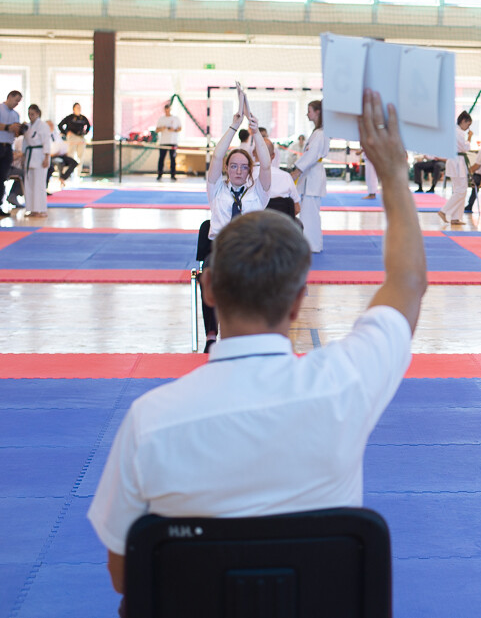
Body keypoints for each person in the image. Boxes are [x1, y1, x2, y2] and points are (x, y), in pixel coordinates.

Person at [87, 90, 425, 609]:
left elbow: (122, 574)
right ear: (299, 301)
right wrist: (395, 179)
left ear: (209, 290)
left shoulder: (150, 421)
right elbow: (407, 283)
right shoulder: (344, 385)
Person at [201, 107, 274, 353]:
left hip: (250, 250)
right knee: (209, 273)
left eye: (244, 167)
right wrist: (234, 126)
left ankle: (251, 334)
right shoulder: (216, 190)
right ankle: (212, 335)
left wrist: (255, 130)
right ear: (227, 168)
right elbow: (216, 156)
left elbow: (266, 164)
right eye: (234, 166)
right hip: (220, 250)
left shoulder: (259, 193)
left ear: (249, 170)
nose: (239, 171)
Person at [292, 100, 329, 253]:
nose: (308, 113)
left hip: (313, 176)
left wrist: (297, 171)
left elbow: (312, 155)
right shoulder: (318, 132)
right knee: (307, 212)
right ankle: (309, 243)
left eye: (309, 110)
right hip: (311, 175)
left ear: (318, 112)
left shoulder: (321, 133)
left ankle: (312, 245)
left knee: (310, 213)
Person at [438, 111, 473, 225]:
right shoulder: (459, 133)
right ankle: (444, 211)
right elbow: (465, 148)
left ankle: (455, 217)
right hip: (457, 161)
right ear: (463, 121)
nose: (468, 128)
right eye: (468, 125)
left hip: (455, 161)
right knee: (461, 190)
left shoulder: (454, 131)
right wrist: (470, 137)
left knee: (459, 189)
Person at [18, 105, 52, 217]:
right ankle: (32, 209)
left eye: (32, 114)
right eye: (29, 114)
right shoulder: (27, 126)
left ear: (38, 114)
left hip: (40, 155)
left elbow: (47, 142)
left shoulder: (43, 126)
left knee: (39, 184)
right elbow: (25, 142)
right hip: (29, 155)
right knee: (29, 183)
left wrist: (47, 157)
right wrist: (23, 156)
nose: (30, 116)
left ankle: (41, 209)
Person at [0, 90, 23, 217]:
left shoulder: (16, 115)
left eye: (19, 102)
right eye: (16, 100)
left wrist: (18, 130)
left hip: (8, 147)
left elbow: (16, 132)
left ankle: (0, 204)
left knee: (3, 177)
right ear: (9, 97)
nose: (16, 104)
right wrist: (9, 127)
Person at [58, 102, 90, 176]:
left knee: (80, 156)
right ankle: (67, 173)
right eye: (77, 107)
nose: (78, 109)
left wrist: (85, 132)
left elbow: (88, 125)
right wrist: (66, 132)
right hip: (72, 138)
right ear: (73, 109)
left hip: (80, 137)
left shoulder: (83, 118)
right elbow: (60, 125)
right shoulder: (69, 117)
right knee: (70, 155)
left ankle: (78, 174)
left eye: (79, 107)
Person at [155, 103, 182, 181]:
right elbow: (157, 130)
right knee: (161, 159)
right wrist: (162, 128)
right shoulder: (161, 119)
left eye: (168, 110)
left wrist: (173, 130)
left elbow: (180, 128)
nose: (167, 111)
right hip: (163, 142)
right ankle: (159, 175)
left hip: (172, 141)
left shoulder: (175, 118)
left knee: (173, 159)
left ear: (170, 109)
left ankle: (173, 175)